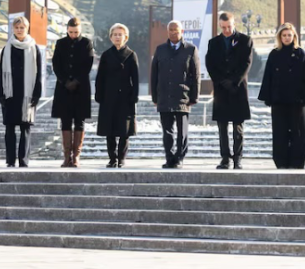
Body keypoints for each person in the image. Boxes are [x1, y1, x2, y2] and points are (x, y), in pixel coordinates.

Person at [259, 23, 305, 169]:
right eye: (284, 35)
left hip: (297, 101)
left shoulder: (300, 53)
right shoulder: (274, 54)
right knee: (280, 132)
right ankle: (281, 162)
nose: (287, 38)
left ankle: (297, 162)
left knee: (298, 132)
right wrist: (267, 97)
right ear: (280, 37)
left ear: (294, 36)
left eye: (289, 35)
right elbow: (268, 77)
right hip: (279, 100)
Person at [206, 12, 253, 170]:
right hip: (221, 89)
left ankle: (237, 158)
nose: (226, 30)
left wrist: (234, 81)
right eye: (223, 27)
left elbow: (246, 63)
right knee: (222, 126)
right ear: (220, 25)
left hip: (238, 89)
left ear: (234, 24)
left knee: (238, 127)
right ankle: (225, 158)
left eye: (229, 27)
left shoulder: (245, 40)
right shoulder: (213, 43)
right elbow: (210, 64)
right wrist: (222, 81)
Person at [151, 20, 200, 169]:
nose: (173, 32)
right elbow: (154, 75)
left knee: (182, 131)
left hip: (182, 96)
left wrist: (194, 97)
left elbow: (195, 75)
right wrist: (155, 97)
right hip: (164, 96)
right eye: (170, 30)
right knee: (167, 131)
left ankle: (179, 157)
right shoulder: (160, 50)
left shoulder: (190, 50)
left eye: (176, 30)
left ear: (182, 32)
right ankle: (169, 157)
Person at [0, 16, 42, 168]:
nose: (19, 30)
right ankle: (10, 160)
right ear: (12, 29)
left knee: (25, 128)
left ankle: (24, 160)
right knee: (9, 129)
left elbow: (39, 73)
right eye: (17, 27)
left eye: (22, 27)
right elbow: (1, 72)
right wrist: (0, 93)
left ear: (27, 29)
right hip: (10, 94)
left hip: (27, 94)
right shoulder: (7, 48)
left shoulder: (34, 48)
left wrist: (37, 93)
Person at [51, 17, 94, 167]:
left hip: (81, 88)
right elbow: (56, 64)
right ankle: (66, 156)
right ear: (67, 30)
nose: (73, 35)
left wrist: (76, 81)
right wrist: (65, 81)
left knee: (80, 120)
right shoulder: (61, 43)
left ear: (80, 30)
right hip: (63, 88)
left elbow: (88, 64)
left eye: (76, 32)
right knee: (65, 120)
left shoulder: (86, 43)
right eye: (71, 32)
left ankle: (76, 156)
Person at [95, 23, 139, 168]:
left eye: (120, 34)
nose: (118, 37)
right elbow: (100, 77)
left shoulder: (131, 55)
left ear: (125, 37)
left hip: (126, 98)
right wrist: (99, 94)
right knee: (110, 129)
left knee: (124, 130)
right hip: (109, 97)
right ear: (111, 37)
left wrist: (134, 96)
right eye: (115, 34)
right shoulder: (106, 55)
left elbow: (136, 78)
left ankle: (121, 158)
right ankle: (112, 158)